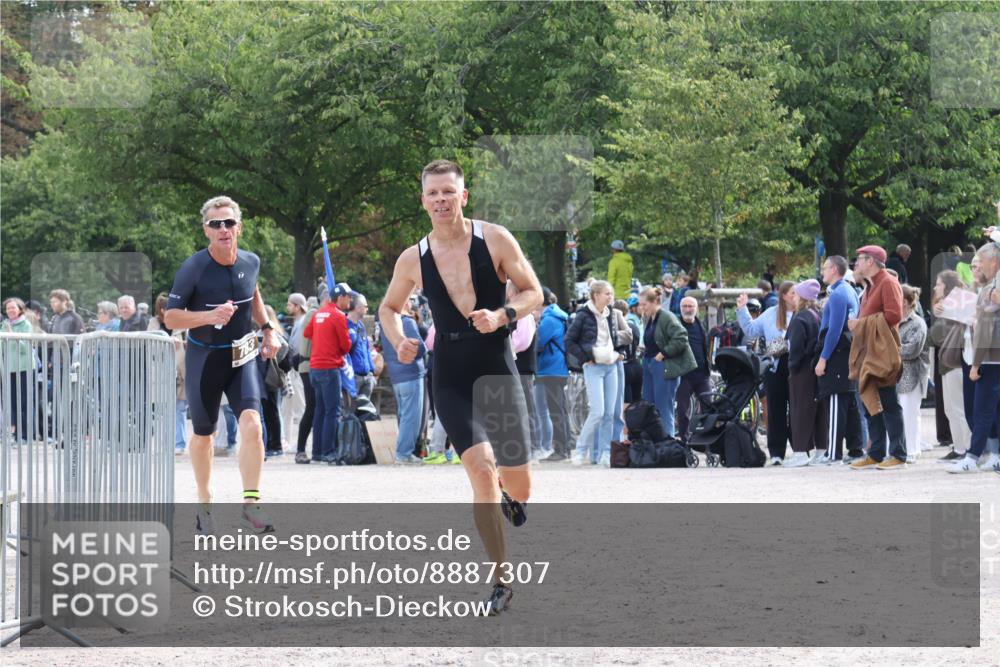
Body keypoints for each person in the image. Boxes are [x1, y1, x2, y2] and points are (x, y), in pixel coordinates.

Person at [378, 158, 542, 615]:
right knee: (481, 468)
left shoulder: (496, 239)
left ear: (463, 196)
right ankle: (501, 579)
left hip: (495, 365)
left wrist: (503, 315)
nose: (441, 200)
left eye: (449, 191)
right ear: (423, 200)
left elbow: (534, 292)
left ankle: (512, 497)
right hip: (448, 371)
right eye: (433, 193)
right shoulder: (414, 257)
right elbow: (389, 308)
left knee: (520, 484)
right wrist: (399, 340)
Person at [163, 195, 282, 535]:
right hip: (204, 357)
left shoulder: (251, 260)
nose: (223, 229)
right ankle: (204, 502)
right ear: (206, 230)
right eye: (216, 224)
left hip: (241, 355)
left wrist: (268, 329)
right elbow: (171, 316)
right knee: (204, 436)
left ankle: (251, 504)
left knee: (252, 425)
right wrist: (209, 316)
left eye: (229, 222)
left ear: (239, 227)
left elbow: (252, 293)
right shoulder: (193, 268)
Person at [848, 245, 908, 470]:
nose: (857, 264)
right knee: (869, 402)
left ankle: (898, 454)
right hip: (868, 351)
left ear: (871, 261)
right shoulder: (871, 285)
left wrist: (861, 324)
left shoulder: (888, 282)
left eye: (860, 259)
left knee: (889, 402)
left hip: (882, 353)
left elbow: (895, 315)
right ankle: (875, 453)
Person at [947, 241, 1000, 474]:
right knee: (986, 410)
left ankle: (972, 456)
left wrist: (976, 364)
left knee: (982, 409)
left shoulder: (990, 289)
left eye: (980, 262)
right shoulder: (985, 289)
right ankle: (991, 454)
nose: (976, 267)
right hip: (987, 355)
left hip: (989, 357)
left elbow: (985, 330)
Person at [736, 281, 797, 465]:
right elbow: (752, 330)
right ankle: (777, 452)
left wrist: (784, 345)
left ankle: (800, 450)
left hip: (797, 365)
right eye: (793, 292)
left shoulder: (802, 313)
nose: (797, 296)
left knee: (796, 409)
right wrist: (742, 309)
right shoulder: (771, 313)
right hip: (776, 365)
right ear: (784, 295)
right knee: (775, 409)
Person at [815, 256, 864, 464]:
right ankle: (855, 448)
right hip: (848, 351)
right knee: (850, 402)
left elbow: (834, 331)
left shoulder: (837, 294)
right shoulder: (851, 291)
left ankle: (833, 452)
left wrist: (823, 358)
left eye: (825, 267)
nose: (822, 271)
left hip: (837, 353)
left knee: (835, 400)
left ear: (834, 269)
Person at [565, 280, 620, 466]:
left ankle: (606, 453)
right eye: (607, 293)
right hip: (593, 367)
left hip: (611, 366)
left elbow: (616, 336)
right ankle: (580, 450)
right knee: (597, 411)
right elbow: (569, 341)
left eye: (611, 294)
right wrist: (584, 358)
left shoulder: (611, 314)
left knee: (610, 413)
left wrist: (619, 353)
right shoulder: (583, 315)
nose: (610, 297)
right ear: (596, 295)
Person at [304, 287, 352, 464]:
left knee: (320, 410)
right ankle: (328, 452)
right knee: (332, 411)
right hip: (329, 367)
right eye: (348, 298)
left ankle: (317, 452)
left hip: (315, 367)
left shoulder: (318, 313)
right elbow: (346, 346)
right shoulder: (339, 316)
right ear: (340, 297)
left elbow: (307, 333)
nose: (350, 302)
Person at [637, 287, 693, 437]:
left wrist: (662, 354)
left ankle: (669, 445)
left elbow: (681, 337)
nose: (641, 308)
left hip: (664, 366)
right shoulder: (649, 318)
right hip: (649, 364)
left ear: (655, 302)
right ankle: (655, 445)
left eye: (644, 304)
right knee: (649, 407)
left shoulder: (666, 317)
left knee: (663, 408)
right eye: (640, 305)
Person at [930, 270, 972, 462]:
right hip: (948, 362)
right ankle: (959, 446)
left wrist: (940, 309)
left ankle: (968, 449)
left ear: (947, 285)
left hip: (955, 361)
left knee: (959, 408)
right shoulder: (947, 305)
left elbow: (936, 334)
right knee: (950, 408)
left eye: (939, 284)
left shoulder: (956, 304)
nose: (935, 287)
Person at [784, 279, 827, 467]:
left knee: (799, 410)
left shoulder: (800, 317)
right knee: (819, 411)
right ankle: (821, 451)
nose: (793, 297)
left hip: (802, 370)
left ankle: (801, 452)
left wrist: (791, 367)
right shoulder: (818, 314)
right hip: (817, 368)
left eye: (796, 293)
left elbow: (794, 348)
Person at [381, 296, 427, 464]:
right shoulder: (407, 322)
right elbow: (420, 348)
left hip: (396, 375)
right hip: (412, 373)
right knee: (411, 416)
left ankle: (403, 451)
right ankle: (404, 453)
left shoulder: (387, 324)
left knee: (404, 414)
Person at [535, 286, 572, 463]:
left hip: (551, 368)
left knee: (556, 410)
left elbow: (538, 343)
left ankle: (561, 450)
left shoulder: (549, 319)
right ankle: (564, 447)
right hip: (558, 368)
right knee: (560, 409)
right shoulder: (558, 315)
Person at [897, 285, 929, 462]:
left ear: (905, 302)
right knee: (902, 413)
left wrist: (891, 349)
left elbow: (912, 350)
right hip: (898, 375)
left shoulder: (918, 323)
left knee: (910, 413)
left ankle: (911, 450)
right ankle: (905, 448)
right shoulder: (896, 320)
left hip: (913, 375)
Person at [675, 296, 711, 443]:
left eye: (691, 306)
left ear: (696, 309)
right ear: (680, 308)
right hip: (683, 375)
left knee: (708, 405)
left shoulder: (700, 324)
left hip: (701, 374)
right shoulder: (675, 324)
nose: (688, 309)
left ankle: (707, 439)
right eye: (685, 306)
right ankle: (685, 440)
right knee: (683, 410)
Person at [3, 297, 35, 443]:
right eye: (8, 308)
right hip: (9, 369)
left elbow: (26, 348)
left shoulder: (26, 324)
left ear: (20, 309)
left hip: (24, 368)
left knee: (24, 403)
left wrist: (13, 336)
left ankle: (25, 435)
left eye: (13, 307)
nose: (10, 310)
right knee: (13, 403)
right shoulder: (4, 324)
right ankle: (17, 435)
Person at [346, 292, 378, 418]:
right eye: (365, 306)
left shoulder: (361, 326)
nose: (367, 309)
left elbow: (366, 350)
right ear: (358, 308)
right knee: (350, 413)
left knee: (364, 414)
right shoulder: (344, 325)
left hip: (366, 377)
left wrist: (371, 371)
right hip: (353, 377)